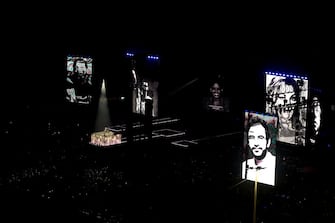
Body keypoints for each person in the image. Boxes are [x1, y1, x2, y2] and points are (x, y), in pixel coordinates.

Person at [266, 77, 307, 145]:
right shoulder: (267, 128)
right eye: (282, 97)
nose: (288, 103)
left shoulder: (302, 133)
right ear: (273, 101)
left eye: (293, 98)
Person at [242, 116, 276, 186]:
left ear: (268, 142)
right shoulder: (244, 166)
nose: (256, 143)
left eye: (260, 137)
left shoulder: (275, 166)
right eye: (251, 137)